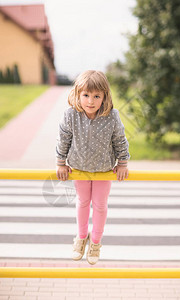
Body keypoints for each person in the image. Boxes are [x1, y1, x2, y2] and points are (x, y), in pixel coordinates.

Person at [56, 70, 130, 265]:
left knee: (99, 205)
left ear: (104, 96)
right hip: (79, 168)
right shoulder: (71, 115)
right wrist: (60, 163)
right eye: (86, 95)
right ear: (78, 94)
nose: (91, 101)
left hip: (104, 170)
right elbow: (64, 139)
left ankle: (95, 241)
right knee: (82, 202)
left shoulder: (111, 116)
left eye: (97, 96)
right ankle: (81, 238)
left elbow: (120, 140)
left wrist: (122, 163)